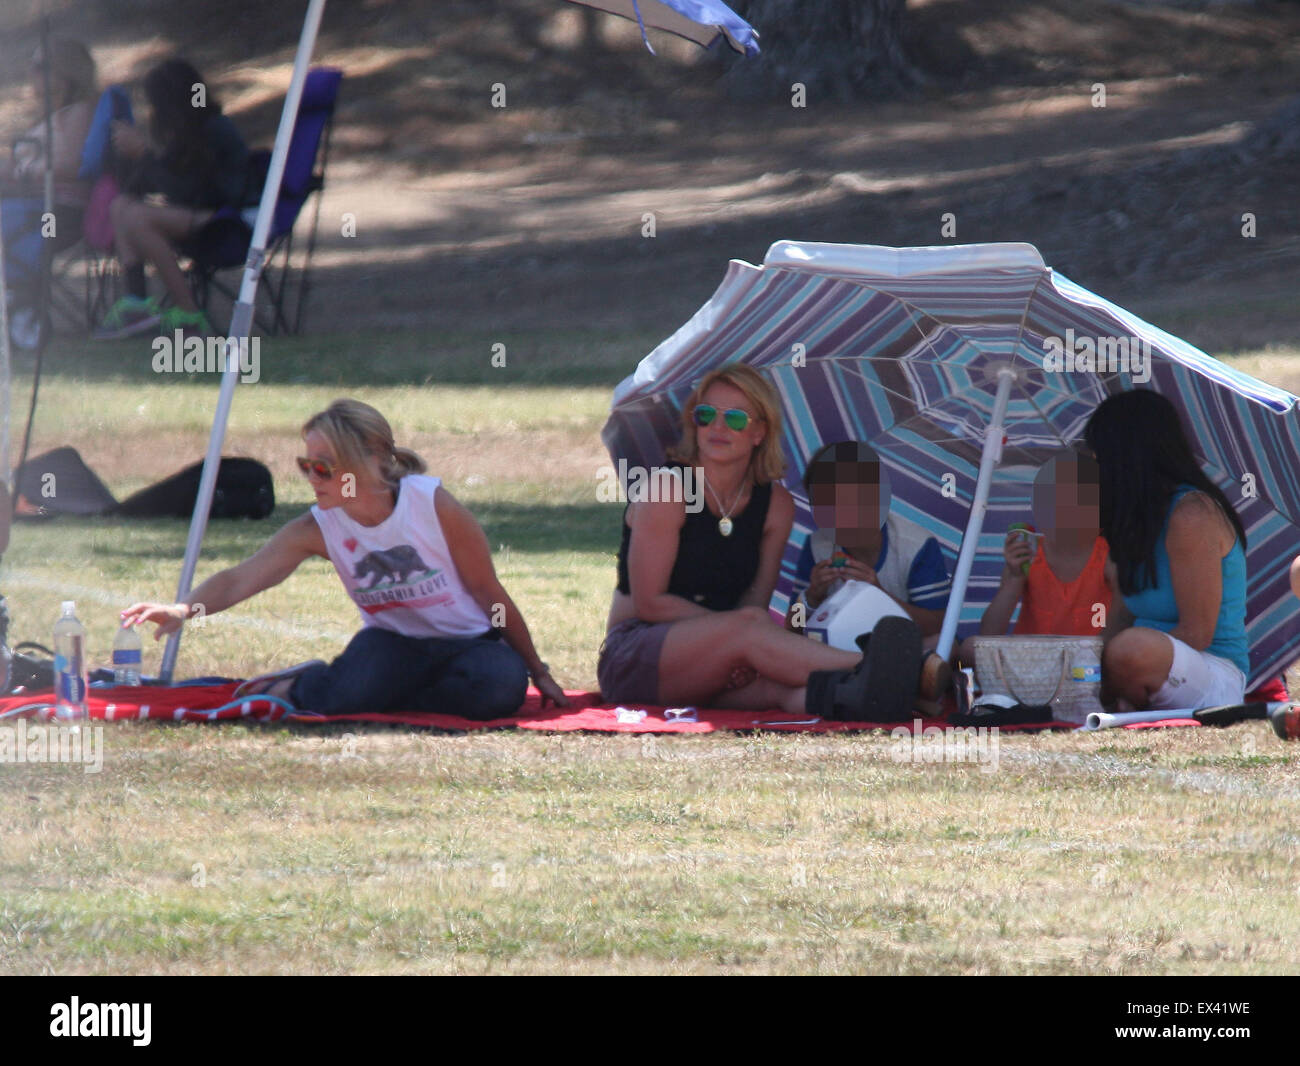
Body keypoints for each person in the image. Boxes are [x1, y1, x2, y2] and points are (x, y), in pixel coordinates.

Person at [122, 399, 568, 718]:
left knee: (496, 691)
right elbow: (243, 578)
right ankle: (308, 683)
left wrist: (536, 669)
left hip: (470, 642)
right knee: (336, 700)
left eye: (324, 466)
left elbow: (489, 594)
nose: (311, 478)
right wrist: (183, 609)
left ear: (371, 459)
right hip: (392, 643)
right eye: (306, 465)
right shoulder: (317, 528)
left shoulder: (432, 505)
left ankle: (381, 692)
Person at [599, 364, 943, 721]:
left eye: (734, 419)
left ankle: (870, 695)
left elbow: (755, 602)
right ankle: (883, 668)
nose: (717, 427)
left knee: (783, 690)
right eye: (705, 415)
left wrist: (736, 645)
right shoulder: (667, 488)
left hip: (725, 650)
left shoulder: (776, 505)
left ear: (760, 432)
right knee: (751, 629)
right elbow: (651, 604)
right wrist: (736, 637)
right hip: (638, 654)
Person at [1084, 390, 1249, 711]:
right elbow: (1120, 616)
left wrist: (1109, 669)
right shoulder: (1133, 518)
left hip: (1212, 672)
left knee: (1131, 650)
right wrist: (1080, 667)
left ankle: (1123, 699)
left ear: (1126, 458)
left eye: (1100, 457)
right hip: (1145, 662)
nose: (1095, 469)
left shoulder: (1192, 514)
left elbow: (1197, 634)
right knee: (1085, 656)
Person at [94, 58, 252, 339]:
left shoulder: (214, 129)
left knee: (138, 218)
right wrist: (127, 158)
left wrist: (144, 154)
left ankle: (189, 313)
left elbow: (188, 191)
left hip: (226, 219)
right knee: (121, 206)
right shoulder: (185, 134)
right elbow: (150, 185)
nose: (155, 113)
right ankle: (137, 304)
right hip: (197, 212)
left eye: (157, 104)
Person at [786, 440, 951, 645]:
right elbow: (793, 627)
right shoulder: (817, 546)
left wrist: (880, 596)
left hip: (903, 648)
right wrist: (811, 597)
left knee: (943, 644)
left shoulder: (915, 545)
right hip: (839, 650)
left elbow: (940, 625)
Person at [1, 38, 98, 346]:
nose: (32, 73)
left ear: (66, 72)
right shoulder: (45, 120)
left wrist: (21, 174)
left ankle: (21, 312)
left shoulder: (78, 113)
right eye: (31, 66)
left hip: (56, 214)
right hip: (29, 205)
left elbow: (71, 166)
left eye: (41, 66)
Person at [976, 450, 1111, 642]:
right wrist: (1015, 578)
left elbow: (1120, 624)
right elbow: (988, 634)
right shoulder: (1029, 554)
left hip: (1090, 660)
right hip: (1032, 659)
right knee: (969, 647)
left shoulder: (1108, 558)